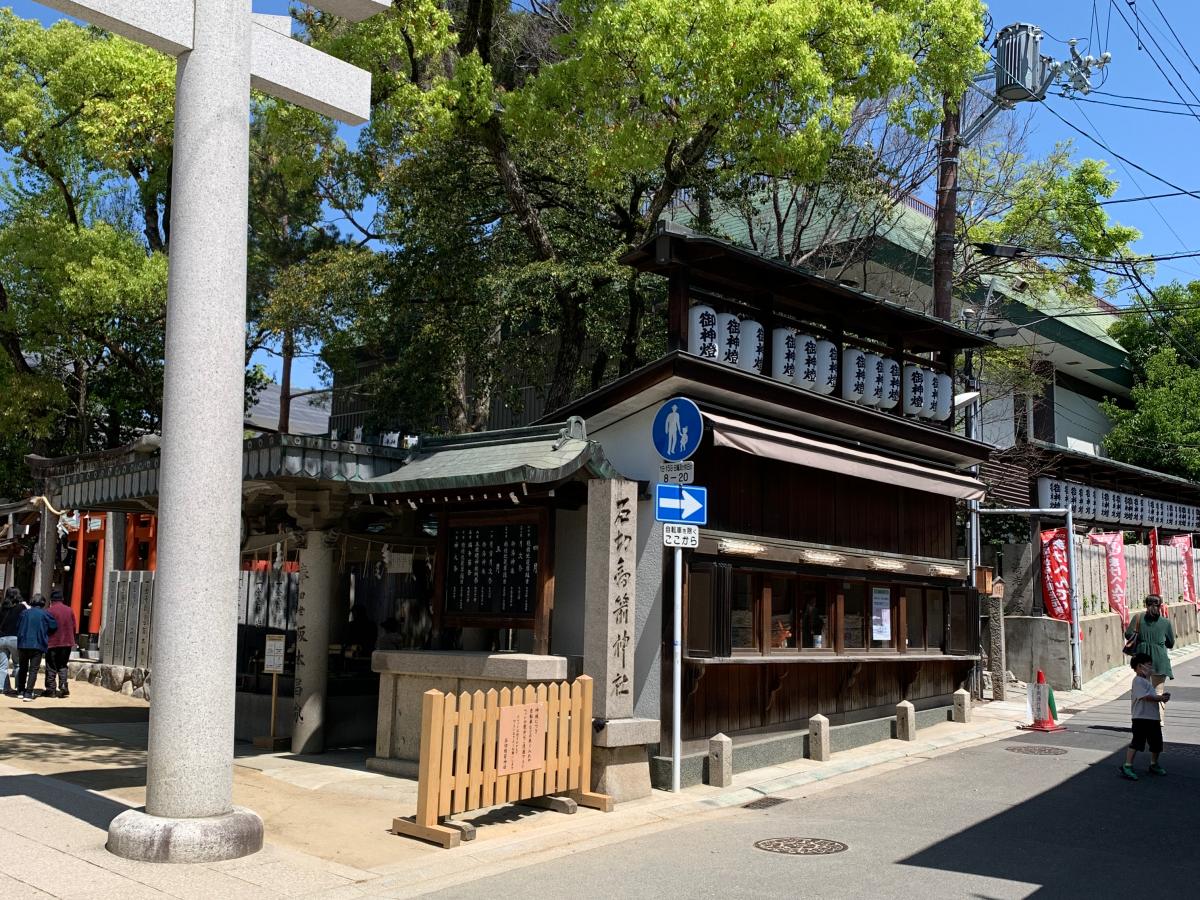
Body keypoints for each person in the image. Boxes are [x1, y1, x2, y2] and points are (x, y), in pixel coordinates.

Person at [1124, 594, 1175, 721]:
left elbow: (1128, 634)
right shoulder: (1165, 622)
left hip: (1142, 660)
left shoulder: (1138, 618)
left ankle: (1140, 717)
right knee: (1158, 692)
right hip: (1159, 660)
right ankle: (1159, 720)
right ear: (1160, 606)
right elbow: (1171, 643)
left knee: (1141, 690)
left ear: (1146, 605)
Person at [1121, 652, 1171, 780]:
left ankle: (1154, 764)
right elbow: (1145, 697)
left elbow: (1151, 696)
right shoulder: (1138, 681)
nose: (1150, 668)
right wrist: (1160, 698)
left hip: (1153, 717)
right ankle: (1127, 765)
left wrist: (1161, 697)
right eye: (1148, 665)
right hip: (1141, 717)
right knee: (1137, 742)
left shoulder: (1146, 682)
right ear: (1139, 666)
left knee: (1156, 742)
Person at [16, 593, 57, 702]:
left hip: (23, 644)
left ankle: (20, 690)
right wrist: (46, 633)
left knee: (23, 667)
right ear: (43, 603)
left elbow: (17, 626)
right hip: (38, 644)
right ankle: (28, 693)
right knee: (33, 670)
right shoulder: (45, 614)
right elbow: (54, 626)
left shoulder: (24, 613)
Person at [44, 588, 77, 699]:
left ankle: (51, 689)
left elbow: (46, 627)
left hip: (52, 642)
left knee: (51, 665)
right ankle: (63, 685)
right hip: (66, 642)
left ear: (51, 600)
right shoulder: (69, 610)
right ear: (62, 599)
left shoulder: (49, 611)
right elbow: (74, 627)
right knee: (62, 665)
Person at [0, 587, 23, 695]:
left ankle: (3, 687)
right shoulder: (21, 608)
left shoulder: (2, 608)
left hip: (1, 638)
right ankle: (19, 687)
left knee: (2, 665)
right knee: (18, 664)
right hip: (15, 638)